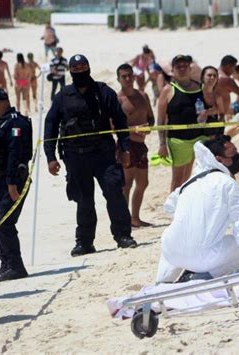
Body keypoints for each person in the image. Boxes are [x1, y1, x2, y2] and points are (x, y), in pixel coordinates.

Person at [44, 54, 137, 255]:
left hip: (103, 154)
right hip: (75, 156)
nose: (80, 71)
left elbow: (120, 121)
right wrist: (50, 157)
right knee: (84, 199)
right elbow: (50, 125)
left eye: (83, 66)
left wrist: (125, 148)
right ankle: (85, 242)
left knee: (114, 192)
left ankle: (123, 235)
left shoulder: (104, 92)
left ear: (89, 67)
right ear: (70, 71)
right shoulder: (63, 96)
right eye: (75, 68)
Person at [156, 137, 239, 283]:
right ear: (219, 159)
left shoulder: (190, 183)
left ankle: (163, 280)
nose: (238, 156)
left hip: (170, 253)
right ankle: (198, 277)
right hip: (200, 258)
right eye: (233, 152)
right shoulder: (227, 183)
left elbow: (169, 205)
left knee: (176, 238)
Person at [0, 88, 33, 281]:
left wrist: (12, 184)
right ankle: (5, 263)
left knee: (5, 222)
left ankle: (16, 266)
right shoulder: (2, 123)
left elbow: (15, 155)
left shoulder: (15, 123)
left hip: (12, 179)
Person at [157, 55, 208, 192]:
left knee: (189, 176)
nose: (182, 69)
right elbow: (161, 120)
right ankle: (174, 209)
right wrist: (162, 144)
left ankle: (184, 205)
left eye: (185, 66)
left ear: (190, 68)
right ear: (173, 70)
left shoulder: (200, 87)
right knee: (177, 179)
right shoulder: (168, 90)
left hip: (198, 138)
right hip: (178, 140)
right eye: (178, 66)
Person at [116, 64, 155, 228]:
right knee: (127, 184)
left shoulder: (143, 96)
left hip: (141, 144)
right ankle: (125, 219)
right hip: (126, 145)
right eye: (123, 76)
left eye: (129, 75)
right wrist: (134, 130)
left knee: (143, 182)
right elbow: (113, 127)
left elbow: (151, 118)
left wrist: (147, 127)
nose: (127, 79)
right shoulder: (118, 100)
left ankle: (135, 217)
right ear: (118, 79)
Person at [199, 66, 225, 137]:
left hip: (213, 133)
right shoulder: (196, 94)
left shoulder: (217, 96)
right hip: (197, 133)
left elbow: (222, 114)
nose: (212, 78)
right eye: (209, 75)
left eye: (215, 76)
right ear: (202, 77)